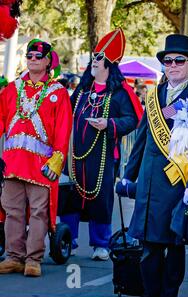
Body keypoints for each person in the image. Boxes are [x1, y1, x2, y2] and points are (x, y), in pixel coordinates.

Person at [122, 34, 188, 297]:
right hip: (149, 184)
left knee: (174, 247)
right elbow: (142, 138)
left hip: (179, 184)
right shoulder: (154, 96)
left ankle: (168, 296)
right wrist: (128, 176)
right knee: (149, 248)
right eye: (168, 60)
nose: (173, 65)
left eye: (179, 60)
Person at [60, 28, 143, 260]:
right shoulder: (82, 90)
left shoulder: (120, 92)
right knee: (70, 197)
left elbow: (133, 119)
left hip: (104, 155)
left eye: (98, 58)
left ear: (109, 64)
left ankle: (101, 244)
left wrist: (108, 123)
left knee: (101, 199)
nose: (93, 62)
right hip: (75, 154)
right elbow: (65, 112)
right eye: (93, 58)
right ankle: (69, 239)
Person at [0, 39, 72, 276]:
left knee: (40, 211)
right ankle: (14, 256)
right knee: (13, 211)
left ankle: (33, 259)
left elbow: (63, 127)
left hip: (42, 166)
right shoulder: (12, 88)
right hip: (12, 163)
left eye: (38, 57)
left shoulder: (58, 92)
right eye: (29, 56)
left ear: (48, 61)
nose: (32, 59)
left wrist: (58, 158)